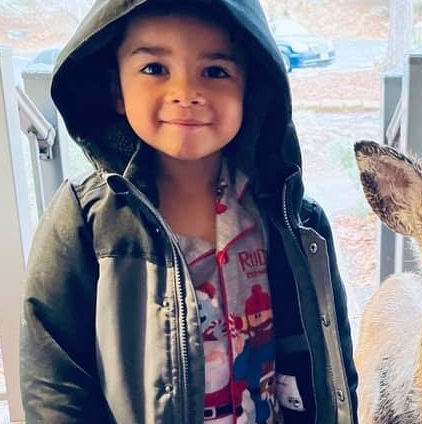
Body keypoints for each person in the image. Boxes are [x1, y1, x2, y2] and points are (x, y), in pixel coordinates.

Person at [19, 0, 358, 423]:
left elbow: (333, 363)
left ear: (250, 89)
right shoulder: (84, 224)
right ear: (116, 91)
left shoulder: (292, 223)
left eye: (215, 71)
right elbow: (54, 385)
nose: (186, 93)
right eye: (155, 68)